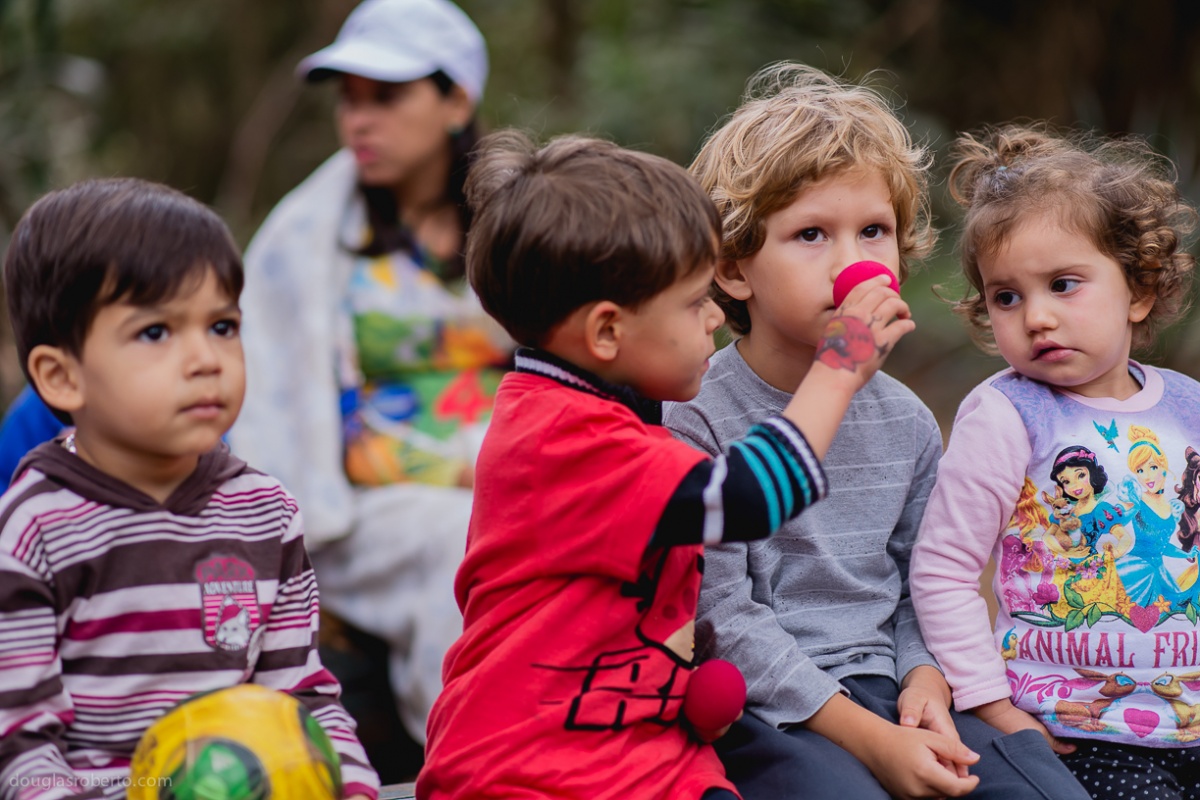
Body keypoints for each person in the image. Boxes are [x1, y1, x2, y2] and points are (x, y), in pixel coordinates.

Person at [417, 128, 915, 799]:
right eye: (693, 301)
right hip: (526, 759)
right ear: (607, 331)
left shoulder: (599, 408)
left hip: (637, 746)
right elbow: (751, 497)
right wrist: (839, 365)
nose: (714, 318)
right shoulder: (562, 441)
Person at [665, 64, 1091, 800]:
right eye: (810, 234)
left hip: (895, 681)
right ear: (733, 271)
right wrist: (874, 741)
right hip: (773, 706)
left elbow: (923, 583)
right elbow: (721, 619)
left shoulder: (907, 419)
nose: (852, 262)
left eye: (873, 231)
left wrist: (925, 679)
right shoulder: (696, 413)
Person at [0, 178, 379, 800]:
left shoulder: (266, 515)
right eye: (156, 332)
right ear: (62, 377)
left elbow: (303, 701)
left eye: (223, 326)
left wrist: (355, 788)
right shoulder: (35, 530)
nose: (206, 359)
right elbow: (20, 741)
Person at [227, 0, 509, 749]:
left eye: (385, 97)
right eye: (349, 100)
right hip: (369, 514)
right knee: (458, 543)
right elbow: (271, 387)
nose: (358, 120)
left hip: (518, 483)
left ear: (456, 101)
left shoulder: (517, 220)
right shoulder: (306, 235)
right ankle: (470, 755)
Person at [909, 123, 1200, 800]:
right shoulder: (1009, 414)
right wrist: (992, 707)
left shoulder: (1188, 407)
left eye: (1063, 284)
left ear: (1139, 290)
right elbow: (945, 568)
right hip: (1076, 732)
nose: (1035, 316)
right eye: (1006, 297)